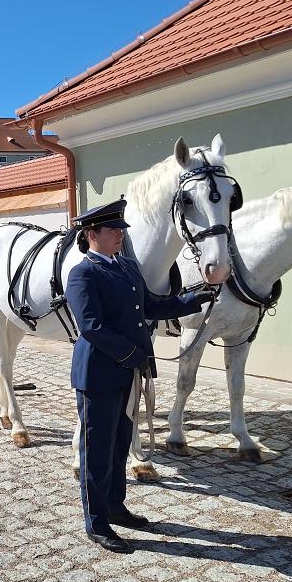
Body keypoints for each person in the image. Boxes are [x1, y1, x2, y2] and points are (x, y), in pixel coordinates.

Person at [65, 200, 216, 553]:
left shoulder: (127, 268)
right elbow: (91, 327)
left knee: (120, 446)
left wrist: (199, 296)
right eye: (113, 230)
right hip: (98, 376)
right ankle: (97, 522)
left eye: (121, 229)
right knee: (96, 450)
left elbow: (153, 305)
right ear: (92, 235)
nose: (120, 235)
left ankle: (116, 508)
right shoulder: (83, 273)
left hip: (126, 374)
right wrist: (134, 355)